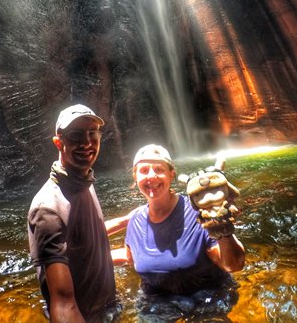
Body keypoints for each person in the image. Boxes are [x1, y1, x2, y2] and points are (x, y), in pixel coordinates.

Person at [112, 144, 246, 321]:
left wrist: (224, 232)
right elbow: (131, 257)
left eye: (158, 169)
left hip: (207, 296)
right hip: (157, 301)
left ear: (171, 175)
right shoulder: (135, 220)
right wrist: (81, 259)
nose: (151, 175)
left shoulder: (197, 210)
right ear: (135, 177)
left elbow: (234, 265)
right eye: (144, 170)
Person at [27, 104, 129, 322]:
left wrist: (128, 220)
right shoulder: (47, 209)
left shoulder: (83, 181)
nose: (86, 143)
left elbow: (83, 235)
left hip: (107, 310)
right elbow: (63, 306)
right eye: (76, 135)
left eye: (92, 134)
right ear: (58, 141)